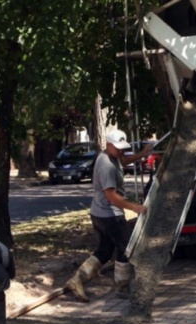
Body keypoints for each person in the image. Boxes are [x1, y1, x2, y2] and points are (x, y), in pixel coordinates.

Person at [65, 129, 154, 302]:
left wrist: (142, 154)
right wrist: (134, 207)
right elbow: (111, 196)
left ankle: (77, 280)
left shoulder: (111, 156)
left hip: (99, 212)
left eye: (122, 148)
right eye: (118, 148)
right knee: (126, 248)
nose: (121, 151)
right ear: (108, 144)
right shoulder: (106, 165)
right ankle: (122, 288)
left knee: (105, 250)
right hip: (109, 214)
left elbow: (123, 160)